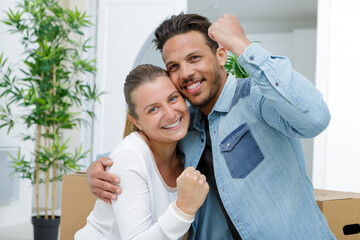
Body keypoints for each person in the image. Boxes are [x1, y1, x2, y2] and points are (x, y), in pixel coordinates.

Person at [87, 13, 336, 239]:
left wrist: (241, 44)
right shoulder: (184, 125)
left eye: (194, 58)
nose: (185, 73)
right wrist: (101, 167)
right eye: (174, 66)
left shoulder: (257, 98)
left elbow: (315, 118)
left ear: (220, 55)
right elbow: (146, 151)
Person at [76, 64, 209, 239]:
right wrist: (183, 208)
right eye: (153, 109)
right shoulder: (130, 156)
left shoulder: (188, 145)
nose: (170, 114)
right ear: (136, 121)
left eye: (173, 99)